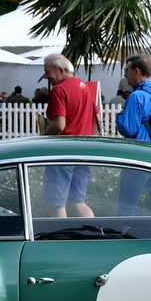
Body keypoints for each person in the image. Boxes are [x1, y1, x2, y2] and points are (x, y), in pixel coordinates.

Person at [114, 55, 151, 215]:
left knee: (127, 202)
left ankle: (122, 234)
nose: (125, 74)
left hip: (138, 156)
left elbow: (128, 128)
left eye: (127, 70)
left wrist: (119, 116)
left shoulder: (136, 96)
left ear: (137, 71)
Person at [40, 53, 95, 217]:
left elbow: (59, 124)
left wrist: (42, 139)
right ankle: (94, 237)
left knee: (56, 205)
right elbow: (95, 120)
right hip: (83, 152)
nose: (46, 77)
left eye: (48, 72)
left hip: (62, 153)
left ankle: (60, 240)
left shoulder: (59, 90)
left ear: (61, 70)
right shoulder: (85, 86)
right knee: (77, 201)